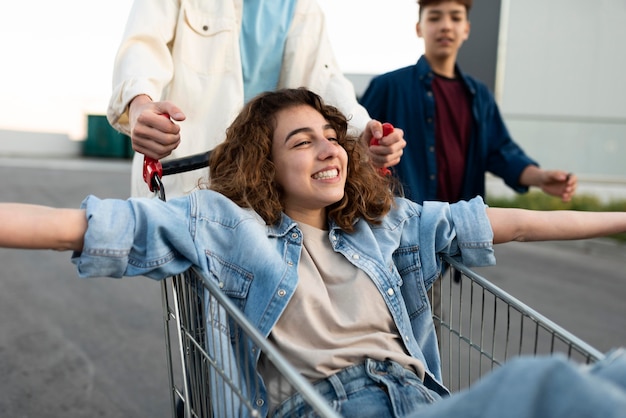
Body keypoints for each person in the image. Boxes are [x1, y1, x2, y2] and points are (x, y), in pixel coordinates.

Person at [2, 88, 626, 418]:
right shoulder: (224, 224)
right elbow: (74, 226)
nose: (329, 149)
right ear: (263, 163)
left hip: (424, 400)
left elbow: (501, 223)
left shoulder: (382, 225)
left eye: (332, 138)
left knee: (612, 373)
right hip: (329, 407)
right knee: (543, 385)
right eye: (303, 142)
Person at [108, 0, 405, 198]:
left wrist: (364, 132)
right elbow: (143, 46)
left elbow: (325, 79)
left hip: (265, 188)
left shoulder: (302, 7)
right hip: (190, 182)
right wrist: (139, 105)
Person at [359, 0, 577, 205]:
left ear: (466, 29)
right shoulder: (388, 86)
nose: (445, 26)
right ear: (419, 28)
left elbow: (501, 153)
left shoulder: (480, 95)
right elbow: (354, 143)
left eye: (455, 18)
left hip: (463, 232)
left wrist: (540, 178)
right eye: (435, 18)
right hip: (404, 230)